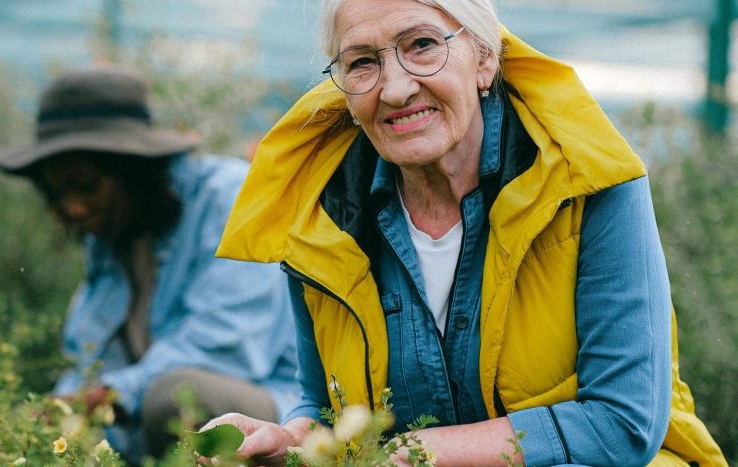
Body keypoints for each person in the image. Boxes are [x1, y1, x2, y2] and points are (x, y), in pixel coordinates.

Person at [206, 0, 728, 465]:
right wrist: (289, 441)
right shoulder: (319, 218)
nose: (396, 87)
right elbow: (327, 408)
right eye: (363, 62)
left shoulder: (588, 184)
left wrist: (428, 451)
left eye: (423, 45)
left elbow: (624, 424)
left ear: (484, 59)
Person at [0, 65, 299, 464]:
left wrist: (102, 399)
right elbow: (94, 361)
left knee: (178, 396)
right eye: (57, 192)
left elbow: (225, 346)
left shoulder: (229, 196)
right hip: (164, 423)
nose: (73, 208)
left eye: (85, 185)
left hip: (276, 413)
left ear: (132, 168)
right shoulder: (113, 235)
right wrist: (45, 413)